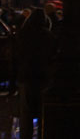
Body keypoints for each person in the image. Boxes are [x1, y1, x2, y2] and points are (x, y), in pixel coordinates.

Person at [15, 8, 56, 139]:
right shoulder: (48, 35)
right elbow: (52, 55)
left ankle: (26, 134)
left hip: (26, 74)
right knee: (41, 107)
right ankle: (42, 133)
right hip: (42, 75)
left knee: (26, 110)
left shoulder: (23, 34)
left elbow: (17, 54)